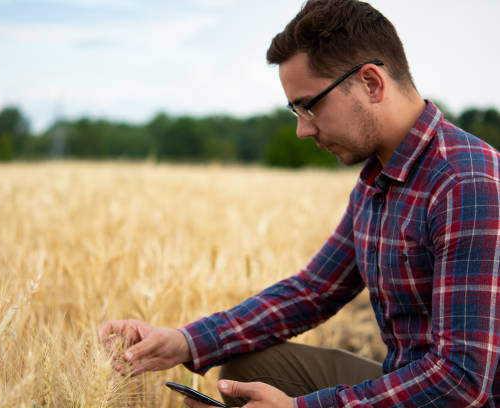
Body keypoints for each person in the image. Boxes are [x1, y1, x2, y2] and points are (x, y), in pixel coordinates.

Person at [99, 0, 500, 406]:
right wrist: (185, 341)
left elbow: (462, 381)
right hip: (408, 378)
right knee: (246, 371)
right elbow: (314, 290)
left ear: (372, 83)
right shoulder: (378, 180)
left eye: (310, 105)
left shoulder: (464, 182)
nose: (301, 129)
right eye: (295, 109)